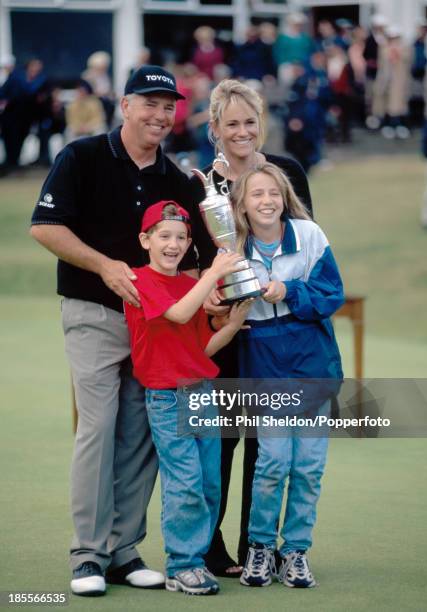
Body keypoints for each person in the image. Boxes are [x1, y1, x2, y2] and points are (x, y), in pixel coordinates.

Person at [29, 65, 195, 597]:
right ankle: (87, 555)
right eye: (149, 103)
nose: (160, 115)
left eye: (168, 106)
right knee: (98, 431)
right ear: (124, 106)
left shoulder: (176, 179)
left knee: (139, 437)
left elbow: (190, 255)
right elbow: (46, 227)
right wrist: (104, 264)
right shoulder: (81, 156)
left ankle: (124, 550)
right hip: (95, 314)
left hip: (154, 327)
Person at [188, 78, 313, 576]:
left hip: (275, 335)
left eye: (250, 121)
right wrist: (212, 291)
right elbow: (191, 256)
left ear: (261, 124)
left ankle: (255, 546)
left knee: (268, 445)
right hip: (221, 332)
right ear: (214, 128)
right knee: (218, 442)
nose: (242, 132)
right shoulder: (197, 185)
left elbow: (303, 243)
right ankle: (209, 547)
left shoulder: (287, 173)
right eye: (231, 123)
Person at [124, 200, 252, 595]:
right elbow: (178, 315)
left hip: (203, 394)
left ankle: (194, 559)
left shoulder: (187, 285)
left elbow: (202, 349)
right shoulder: (139, 281)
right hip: (166, 399)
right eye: (164, 236)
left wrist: (232, 325)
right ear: (146, 240)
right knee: (185, 483)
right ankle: (183, 565)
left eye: (181, 237)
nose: (173, 244)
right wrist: (212, 272)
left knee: (210, 482)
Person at [230, 163, 343, 588]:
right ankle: (260, 548)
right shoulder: (233, 248)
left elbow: (331, 294)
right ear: (241, 204)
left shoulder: (310, 235)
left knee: (310, 465)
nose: (266, 201)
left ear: (285, 196)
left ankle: (295, 551)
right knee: (274, 461)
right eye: (256, 194)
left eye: (273, 193)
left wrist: (289, 291)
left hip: (312, 362)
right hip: (264, 364)